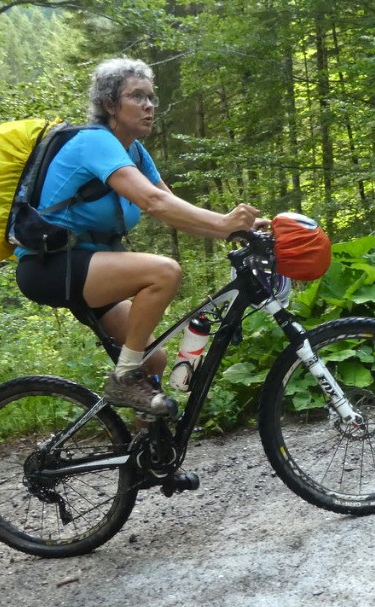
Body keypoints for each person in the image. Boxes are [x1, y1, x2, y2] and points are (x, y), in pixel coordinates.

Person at [15, 57, 265, 415]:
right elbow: (153, 201)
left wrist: (239, 227)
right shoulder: (95, 143)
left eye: (151, 98)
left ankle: (147, 462)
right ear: (108, 105)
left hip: (90, 269)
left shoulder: (134, 150)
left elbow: (174, 209)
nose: (149, 106)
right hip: (52, 267)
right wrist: (225, 223)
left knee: (155, 359)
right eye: (136, 97)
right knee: (163, 271)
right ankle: (123, 378)